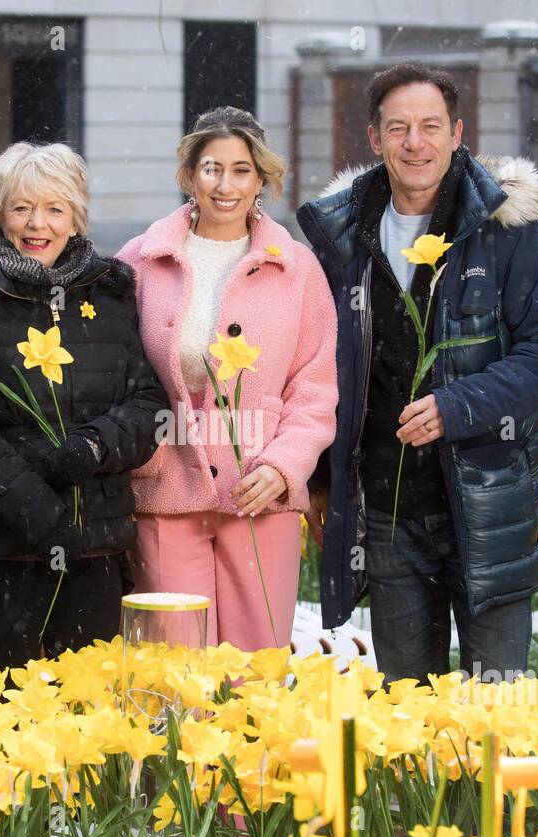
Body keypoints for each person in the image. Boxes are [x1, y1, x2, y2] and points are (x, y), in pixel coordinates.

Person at [296, 63, 538, 684]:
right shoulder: (343, 236)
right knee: (407, 713)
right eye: (397, 128)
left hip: (489, 504)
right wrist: (321, 481)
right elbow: (321, 368)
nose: (414, 143)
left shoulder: (506, 228)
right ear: (374, 140)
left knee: (493, 712)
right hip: (393, 514)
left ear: (457, 133)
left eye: (430, 126)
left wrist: (460, 406)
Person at [0, 141, 169, 678]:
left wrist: (92, 446)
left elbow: (148, 405)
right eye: (21, 208)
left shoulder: (108, 295)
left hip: (93, 548)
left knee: (87, 717)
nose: (38, 224)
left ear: (75, 219)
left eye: (55, 209)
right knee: (9, 719)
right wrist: (43, 515)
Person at [116, 107, 338, 650]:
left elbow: (314, 388)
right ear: (190, 174)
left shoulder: (298, 268)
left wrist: (285, 467)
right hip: (165, 489)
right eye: (212, 168)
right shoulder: (140, 261)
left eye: (242, 170)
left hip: (260, 496)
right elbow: (114, 372)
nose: (226, 184)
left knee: (256, 670)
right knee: (174, 667)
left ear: (262, 178)